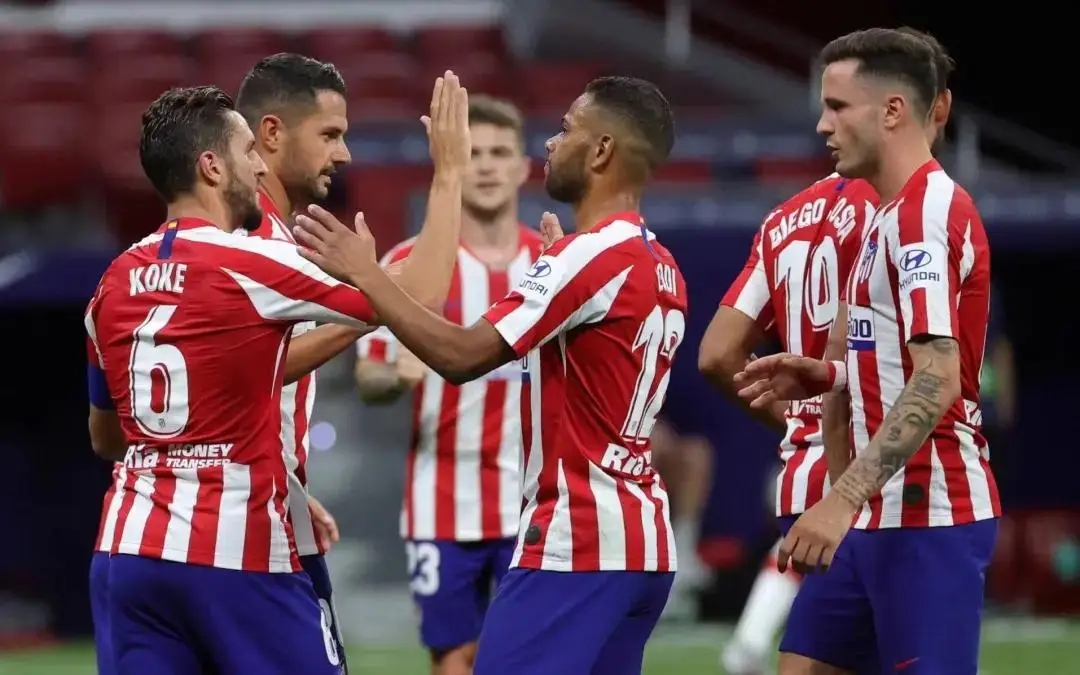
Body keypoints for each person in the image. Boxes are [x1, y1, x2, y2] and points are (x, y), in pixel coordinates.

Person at [294, 75, 682, 675]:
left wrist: (363, 273)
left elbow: (462, 355)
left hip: (576, 536)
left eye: (566, 130)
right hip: (640, 539)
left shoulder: (584, 256)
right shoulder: (660, 261)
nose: (552, 143)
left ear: (602, 150)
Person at [85, 78, 468, 675]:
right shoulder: (252, 260)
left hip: (127, 552)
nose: (259, 169)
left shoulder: (112, 282)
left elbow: (108, 437)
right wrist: (448, 173)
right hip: (233, 549)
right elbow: (418, 294)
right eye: (247, 154)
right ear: (212, 167)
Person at [733, 28, 999, 675]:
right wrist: (827, 373)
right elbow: (900, 363)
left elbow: (936, 380)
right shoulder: (885, 213)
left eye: (837, 106)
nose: (822, 125)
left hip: (929, 513)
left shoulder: (924, 215)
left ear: (892, 111)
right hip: (876, 513)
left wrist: (838, 499)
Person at [352, 95, 543, 675]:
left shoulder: (553, 263)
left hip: (535, 502)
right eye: (473, 152)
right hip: (442, 503)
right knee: (453, 657)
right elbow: (368, 377)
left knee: (531, 656)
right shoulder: (411, 262)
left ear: (522, 167)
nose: (485, 166)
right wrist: (396, 374)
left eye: (499, 153)